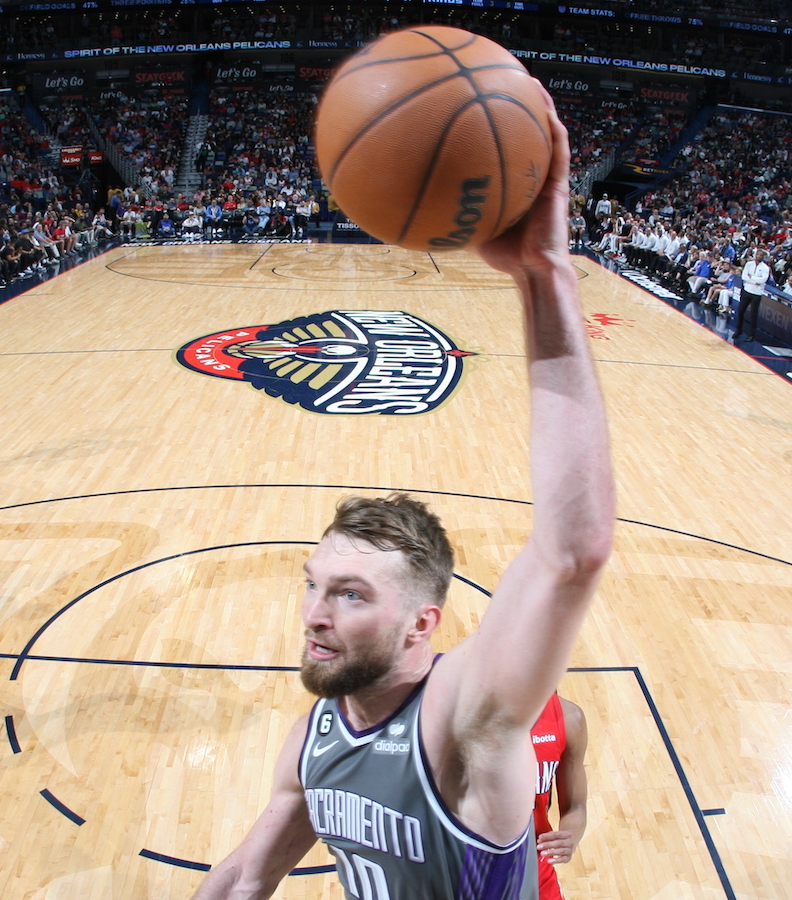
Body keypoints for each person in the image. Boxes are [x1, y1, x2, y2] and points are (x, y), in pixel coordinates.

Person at [191, 86, 614, 900]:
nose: (314, 611)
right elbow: (247, 872)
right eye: (314, 585)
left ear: (426, 622)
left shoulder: (466, 717)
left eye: (349, 594)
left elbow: (571, 553)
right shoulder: (319, 730)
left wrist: (544, 275)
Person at [531, 694, 589, 900]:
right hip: (470, 864)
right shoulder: (461, 718)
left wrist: (569, 836)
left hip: (534, 863)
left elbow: (576, 807)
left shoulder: (569, 719)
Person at [735, 248, 770, 343]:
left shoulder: (765, 268)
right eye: (758, 255)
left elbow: (763, 280)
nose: (759, 256)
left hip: (757, 293)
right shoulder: (748, 264)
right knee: (741, 310)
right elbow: (744, 277)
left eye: (761, 255)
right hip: (746, 290)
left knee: (753, 315)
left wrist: (751, 278)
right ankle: (739, 330)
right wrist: (755, 280)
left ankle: (751, 335)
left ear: (763, 257)